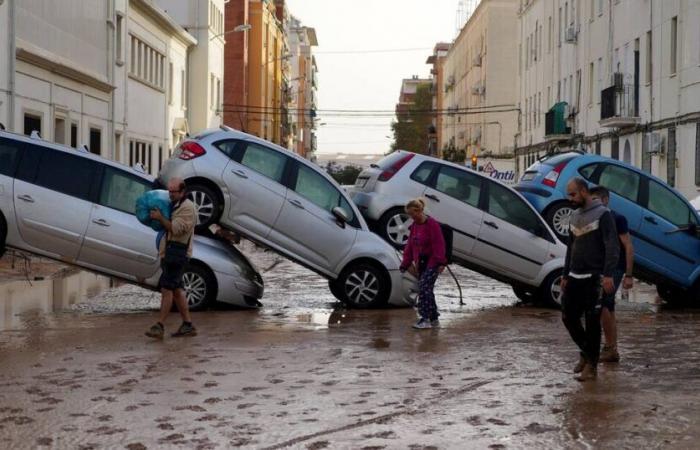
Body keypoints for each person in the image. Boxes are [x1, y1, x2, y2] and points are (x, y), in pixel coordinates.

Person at [561, 178, 619, 381]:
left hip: (595, 278)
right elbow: (570, 247)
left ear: (584, 191)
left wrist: (608, 275)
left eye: (573, 194)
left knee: (593, 322)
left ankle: (591, 367)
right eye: (569, 195)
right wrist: (565, 274)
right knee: (568, 317)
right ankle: (587, 353)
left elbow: (612, 246)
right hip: (575, 276)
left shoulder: (604, 215)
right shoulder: (574, 216)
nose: (570, 199)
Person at [145, 178, 198, 339]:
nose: (170, 194)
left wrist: (160, 218)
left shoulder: (188, 209)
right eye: (169, 191)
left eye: (173, 192)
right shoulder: (175, 205)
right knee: (176, 290)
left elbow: (176, 229)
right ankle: (188, 325)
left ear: (182, 192)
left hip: (178, 255)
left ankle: (159, 325)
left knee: (166, 289)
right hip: (170, 252)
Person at [590, 186, 634, 363]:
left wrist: (629, 275)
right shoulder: (593, 218)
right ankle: (612, 349)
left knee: (604, 306)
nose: (592, 204)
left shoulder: (618, 218)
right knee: (608, 307)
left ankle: (609, 348)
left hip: (615, 268)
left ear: (605, 200)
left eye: (595, 200)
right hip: (600, 268)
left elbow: (628, 246)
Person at [399, 198, 446, 330]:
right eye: (410, 215)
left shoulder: (432, 224)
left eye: (413, 214)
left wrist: (441, 262)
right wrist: (405, 263)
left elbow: (439, 244)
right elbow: (409, 246)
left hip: (433, 262)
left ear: (420, 211)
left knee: (424, 288)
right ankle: (434, 318)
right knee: (427, 289)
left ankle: (424, 319)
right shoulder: (414, 226)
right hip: (421, 263)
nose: (412, 217)